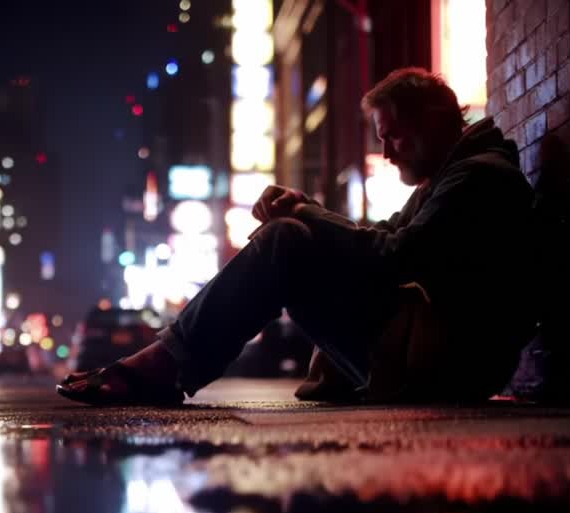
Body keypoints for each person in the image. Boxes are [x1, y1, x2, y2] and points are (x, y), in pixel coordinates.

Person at [58, 67, 538, 406]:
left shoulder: (478, 177)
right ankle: (169, 363)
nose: (387, 152)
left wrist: (308, 215)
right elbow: (384, 235)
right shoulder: (450, 176)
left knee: (287, 240)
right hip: (427, 357)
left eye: (394, 135)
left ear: (434, 120)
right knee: (290, 233)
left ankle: (166, 365)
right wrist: (310, 212)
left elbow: (397, 254)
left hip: (442, 368)